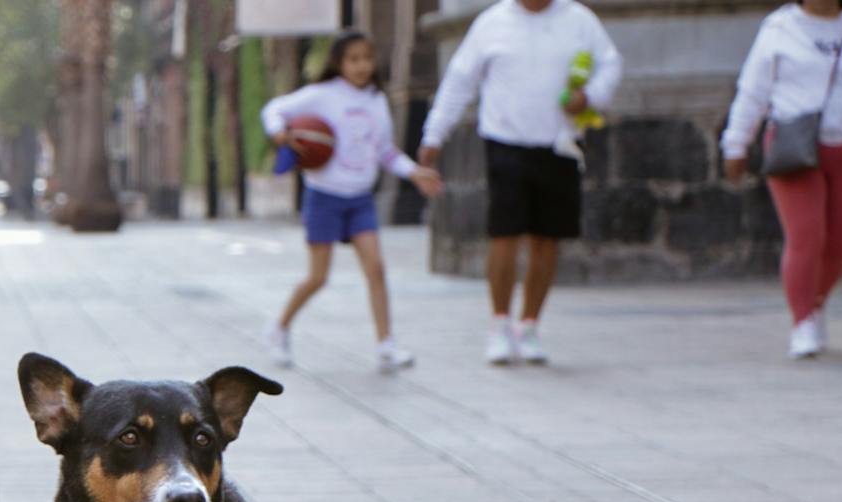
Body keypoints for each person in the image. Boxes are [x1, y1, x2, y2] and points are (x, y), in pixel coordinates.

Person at [418, 0, 622, 365]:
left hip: (559, 142)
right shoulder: (492, 23)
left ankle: (529, 325)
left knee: (546, 238)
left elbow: (610, 64)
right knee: (505, 234)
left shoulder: (578, 20)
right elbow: (459, 80)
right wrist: (434, 135)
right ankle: (499, 324)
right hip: (505, 142)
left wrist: (589, 96)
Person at [261, 33, 445, 373]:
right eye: (353, 59)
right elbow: (274, 109)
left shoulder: (377, 100)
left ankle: (386, 344)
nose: (361, 66)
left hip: (360, 199)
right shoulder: (321, 96)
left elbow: (385, 151)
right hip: (324, 197)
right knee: (318, 277)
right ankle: (279, 327)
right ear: (339, 63)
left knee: (376, 268)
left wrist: (415, 172)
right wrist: (279, 133)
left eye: (367, 58)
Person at [722, 0, 842, 359]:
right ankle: (802, 320)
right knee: (807, 234)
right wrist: (736, 144)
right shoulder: (780, 29)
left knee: (839, 241)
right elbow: (753, 90)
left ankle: (817, 302)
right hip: (794, 145)